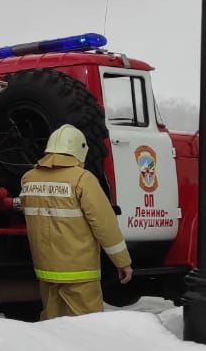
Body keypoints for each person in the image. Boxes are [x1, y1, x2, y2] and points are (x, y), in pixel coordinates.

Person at [19, 124, 132, 318]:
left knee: (52, 329)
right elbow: (105, 225)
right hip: (80, 274)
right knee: (87, 332)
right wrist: (123, 262)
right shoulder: (82, 179)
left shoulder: (28, 179)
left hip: (46, 272)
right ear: (79, 151)